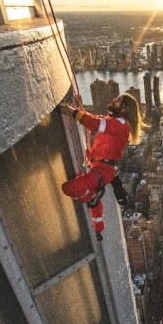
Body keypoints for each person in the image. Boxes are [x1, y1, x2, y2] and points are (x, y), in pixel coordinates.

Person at [59, 93, 144, 240]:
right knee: (92, 196)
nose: (113, 100)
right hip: (100, 168)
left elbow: (95, 124)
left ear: (124, 109)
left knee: (69, 188)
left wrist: (74, 113)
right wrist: (74, 110)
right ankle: (99, 227)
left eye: (118, 100)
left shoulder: (121, 124)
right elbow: (95, 118)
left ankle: (92, 196)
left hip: (102, 171)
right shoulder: (115, 121)